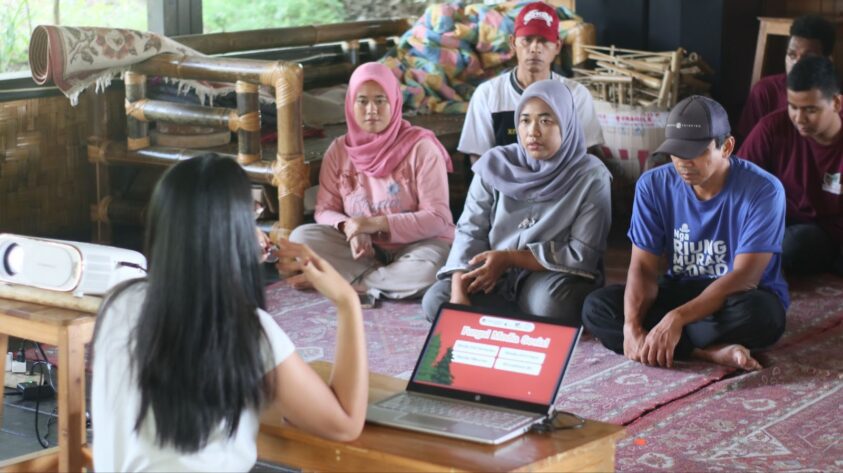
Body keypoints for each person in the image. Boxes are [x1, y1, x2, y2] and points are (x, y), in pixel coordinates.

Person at [92, 154, 368, 471]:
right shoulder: (243, 328)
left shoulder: (118, 303)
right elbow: (345, 424)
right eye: (251, 217)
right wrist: (346, 301)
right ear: (229, 231)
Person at [582, 96, 789, 371]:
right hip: (681, 289)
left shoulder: (764, 191)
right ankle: (707, 352)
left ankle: (672, 341)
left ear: (726, 147)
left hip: (736, 295)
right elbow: (643, 267)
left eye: (695, 152)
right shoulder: (653, 185)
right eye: (676, 152)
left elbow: (745, 277)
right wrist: (631, 326)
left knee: (764, 317)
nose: (683, 162)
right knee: (596, 307)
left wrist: (675, 319)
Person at [422, 79, 611, 325]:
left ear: (567, 124)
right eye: (525, 120)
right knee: (437, 301)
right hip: (493, 274)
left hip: (548, 274)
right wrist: (459, 291)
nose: (533, 131)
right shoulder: (495, 164)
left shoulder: (591, 175)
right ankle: (516, 313)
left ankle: (504, 312)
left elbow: (582, 252)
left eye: (546, 120)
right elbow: (470, 229)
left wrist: (509, 258)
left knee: (553, 305)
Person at [289, 62, 455, 300]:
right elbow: (325, 210)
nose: (371, 110)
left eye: (380, 100)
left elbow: (438, 219)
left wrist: (374, 224)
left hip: (419, 246)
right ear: (350, 104)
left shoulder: (421, 148)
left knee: (430, 268)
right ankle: (385, 282)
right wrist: (352, 229)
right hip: (363, 251)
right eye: (362, 101)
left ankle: (355, 284)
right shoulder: (339, 150)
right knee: (301, 238)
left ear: (394, 102)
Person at [457, 1, 605, 164]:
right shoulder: (487, 94)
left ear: (557, 46)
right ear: (513, 43)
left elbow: (586, 152)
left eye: (543, 40)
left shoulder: (576, 94)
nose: (535, 48)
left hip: (561, 186)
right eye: (527, 40)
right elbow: (478, 157)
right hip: (503, 187)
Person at [739, 56, 843, 275]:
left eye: (810, 110)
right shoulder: (772, 127)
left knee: (796, 245)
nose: (799, 118)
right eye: (792, 107)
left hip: (829, 229)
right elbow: (737, 182)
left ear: (836, 103)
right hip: (782, 223)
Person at [736, 14, 835, 142]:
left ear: (827, 60)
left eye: (809, 57)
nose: (796, 64)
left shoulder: (834, 97)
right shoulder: (765, 91)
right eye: (791, 55)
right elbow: (747, 149)